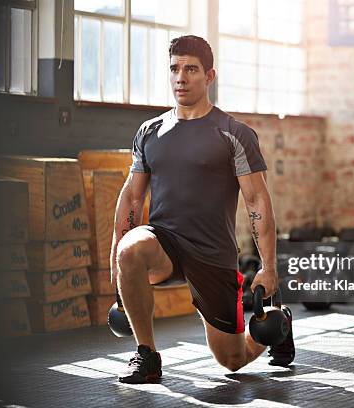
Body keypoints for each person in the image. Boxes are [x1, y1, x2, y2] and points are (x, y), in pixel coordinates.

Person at [110, 35, 294, 384]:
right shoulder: (150, 132)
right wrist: (115, 257)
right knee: (131, 250)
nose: (181, 77)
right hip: (164, 243)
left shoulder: (233, 133)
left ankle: (279, 325)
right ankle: (146, 355)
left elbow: (257, 201)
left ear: (210, 76)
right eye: (175, 69)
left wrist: (268, 268)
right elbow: (132, 199)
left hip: (212, 254)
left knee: (232, 360)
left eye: (191, 69)